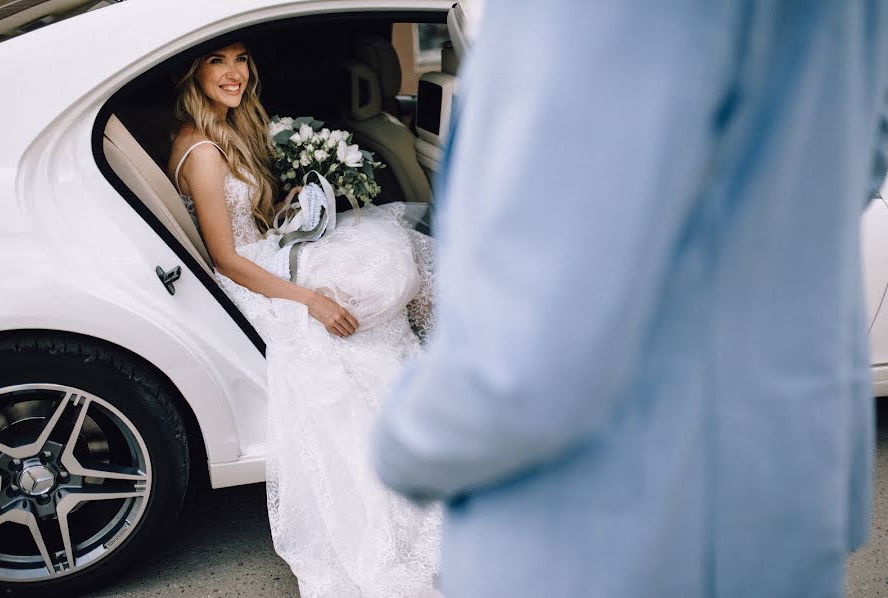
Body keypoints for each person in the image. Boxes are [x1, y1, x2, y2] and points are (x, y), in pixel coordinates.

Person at [372, 2, 888, 597]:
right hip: (783, 483)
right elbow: (862, 158)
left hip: (620, 527)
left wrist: (400, 446)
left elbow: (528, 363)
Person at [167, 41, 440, 598]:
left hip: (262, 257)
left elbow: (245, 229)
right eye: (219, 61)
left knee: (387, 247)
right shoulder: (200, 150)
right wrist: (307, 299)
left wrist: (289, 212)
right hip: (248, 282)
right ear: (194, 71)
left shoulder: (223, 133)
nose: (234, 73)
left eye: (241, 59)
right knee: (373, 280)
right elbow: (225, 257)